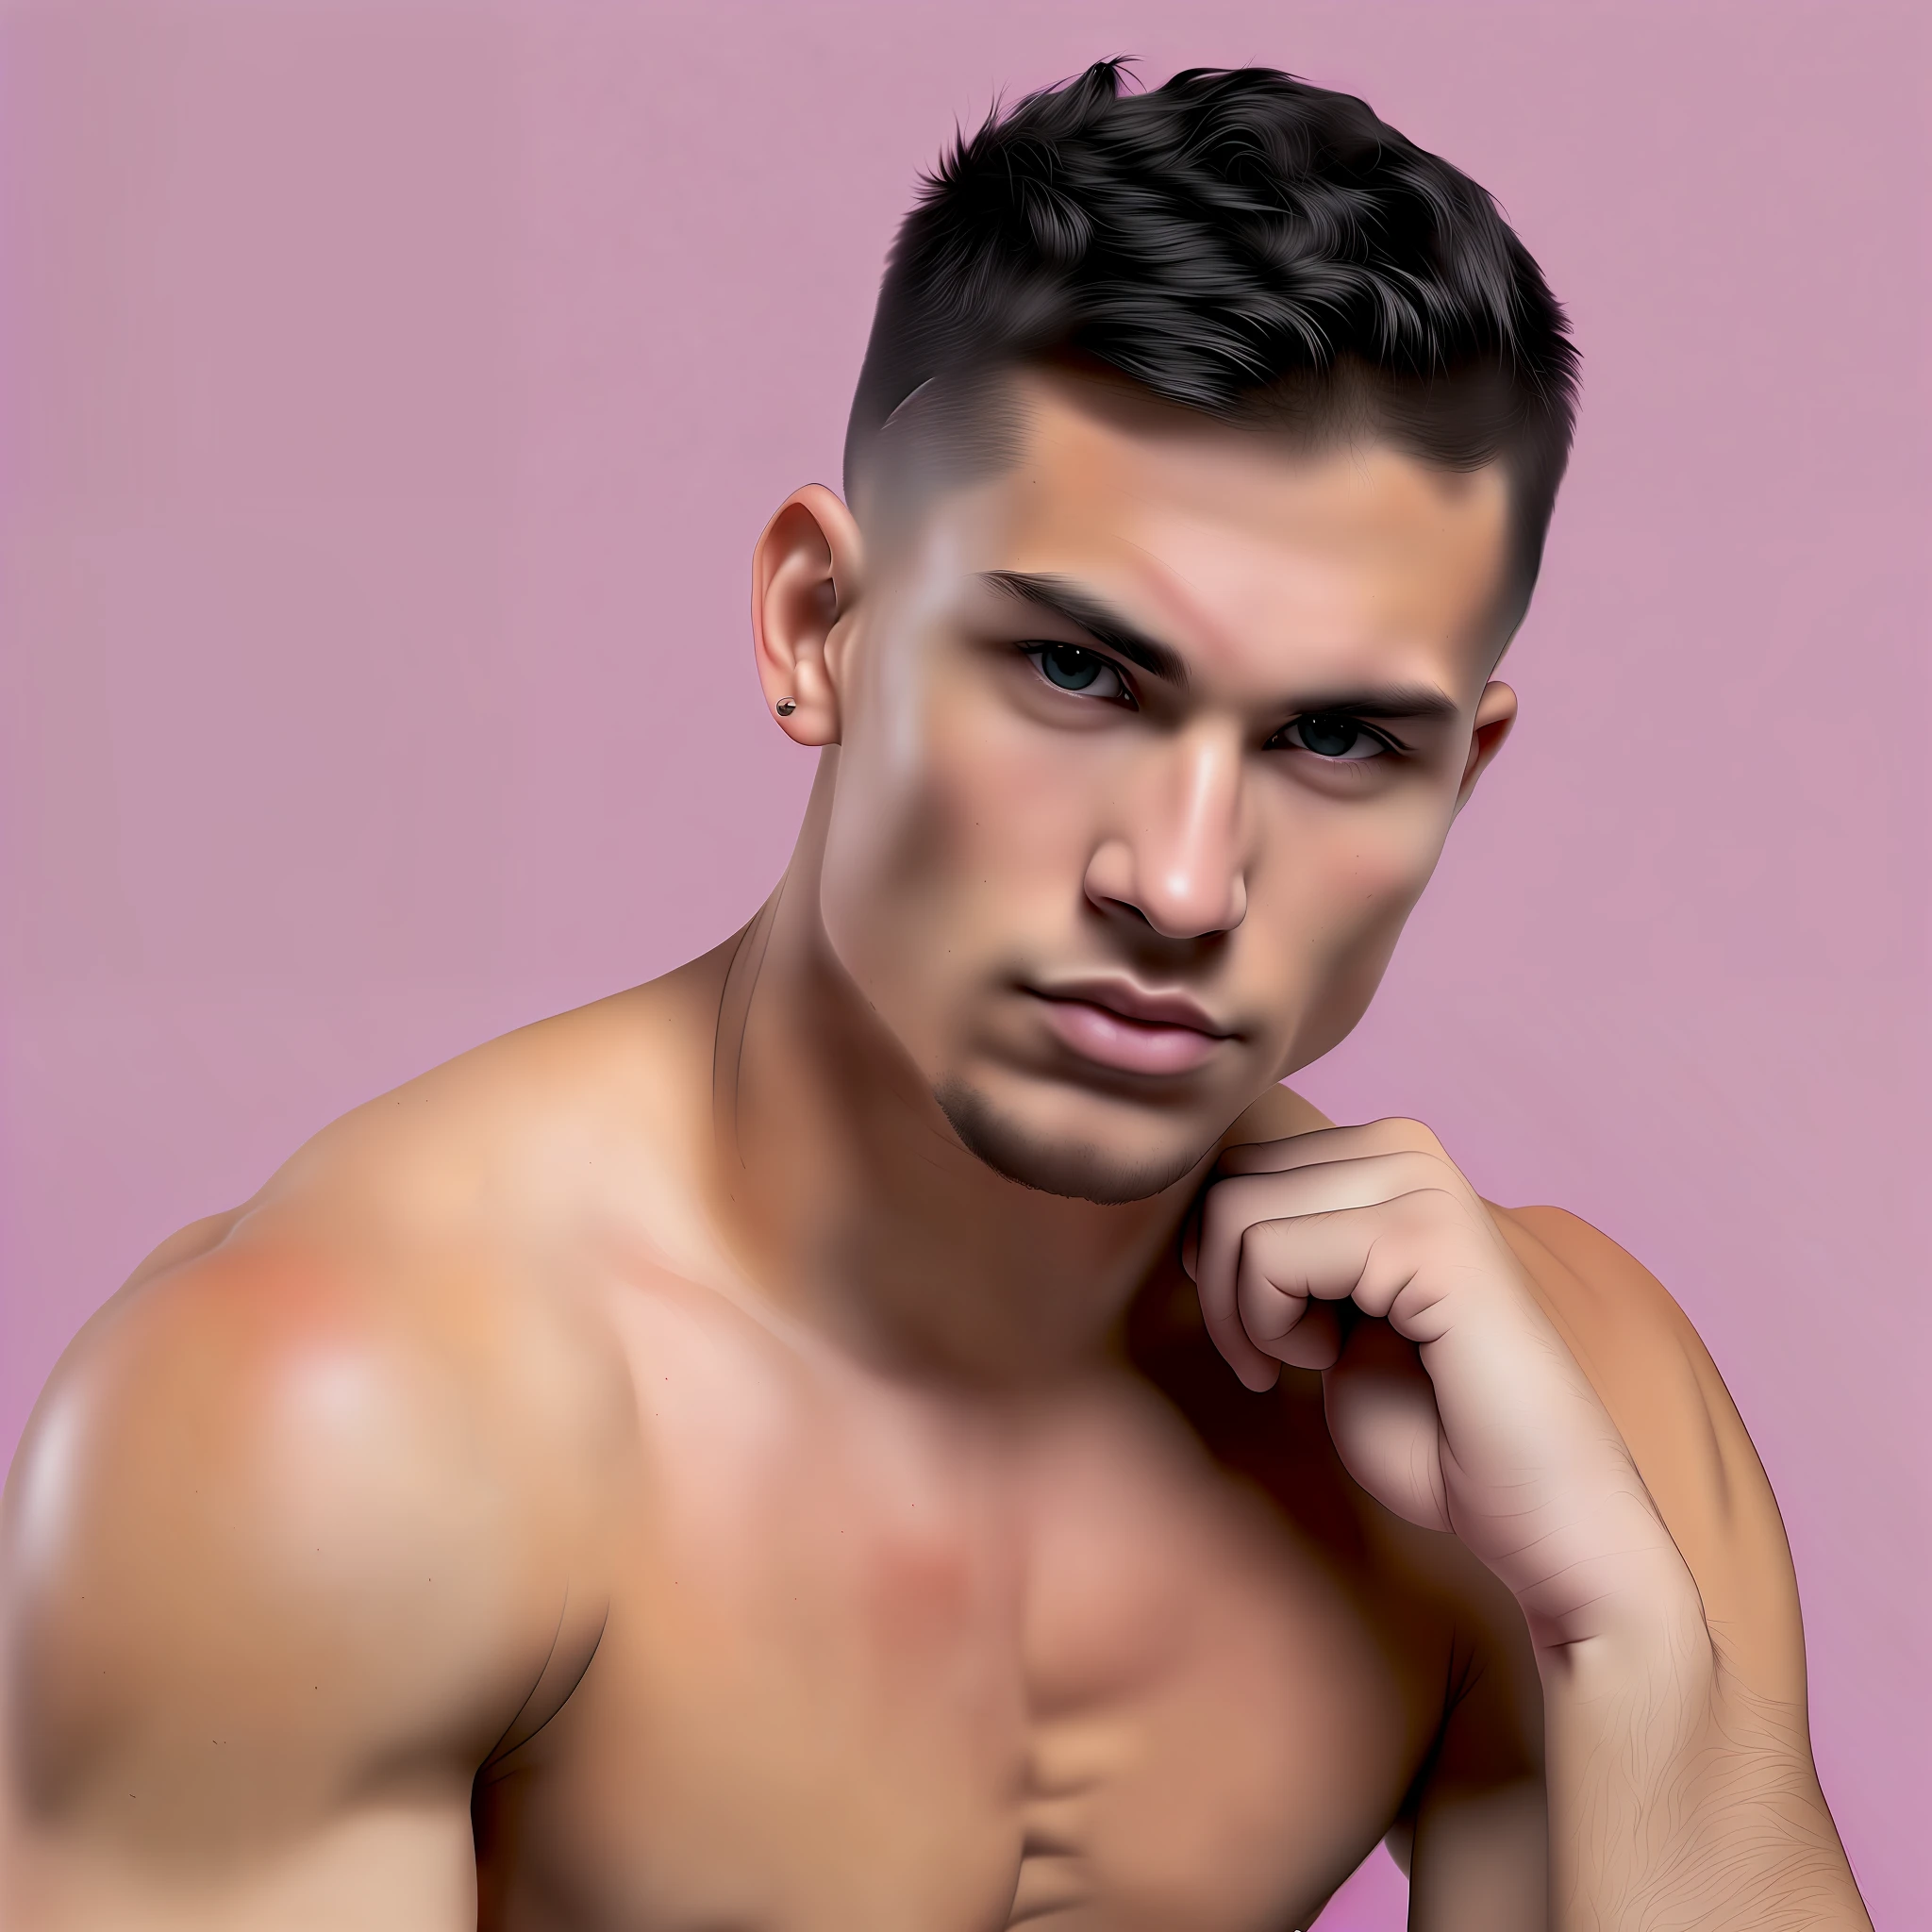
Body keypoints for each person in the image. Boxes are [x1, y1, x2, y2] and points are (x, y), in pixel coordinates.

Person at [0, 58, 1872, 1932]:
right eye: (1073, 670)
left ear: (1458, 772)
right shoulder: (334, 1424)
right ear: (822, 621)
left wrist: (1622, 1639)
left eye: (1330, 737)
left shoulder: (1556, 1422)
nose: (1182, 879)